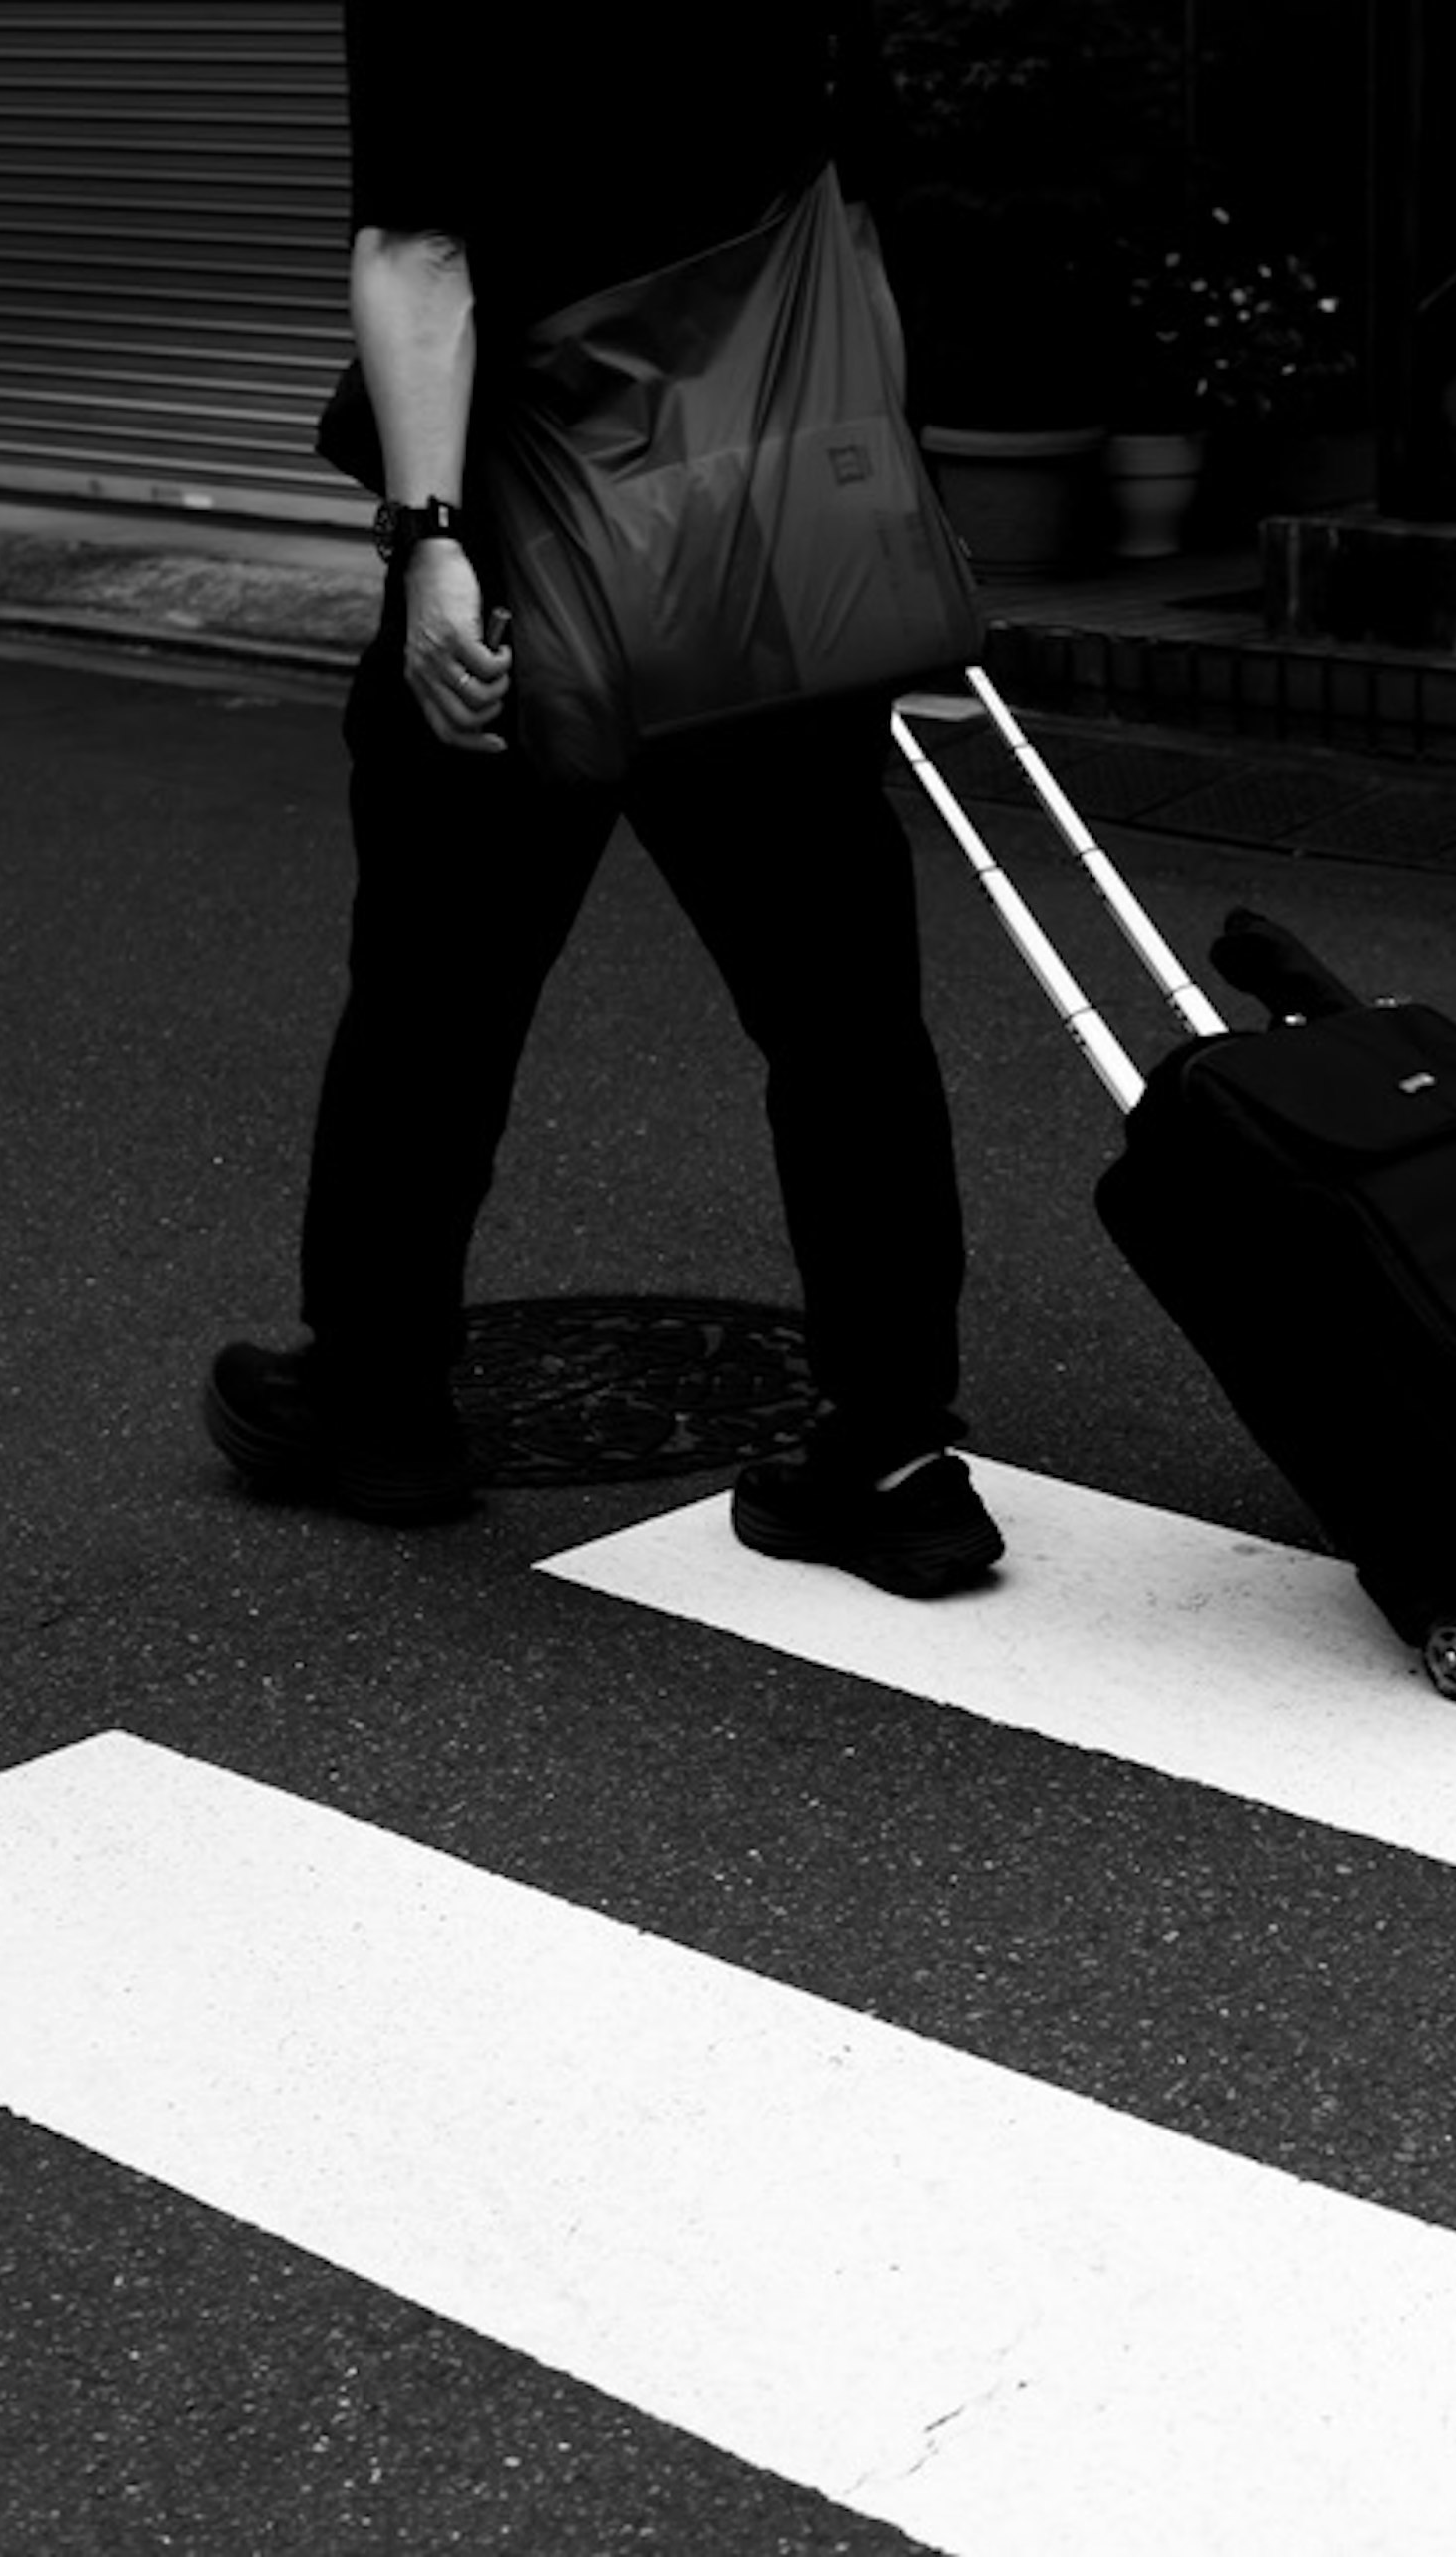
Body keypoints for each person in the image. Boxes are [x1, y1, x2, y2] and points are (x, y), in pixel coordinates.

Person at [201, 0, 1002, 1599]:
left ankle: (383, 1405)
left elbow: (424, 253)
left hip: (532, 548)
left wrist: (424, 539)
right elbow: (851, 228)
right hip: (766, 542)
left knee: (436, 993)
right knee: (842, 1014)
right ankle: (896, 1453)